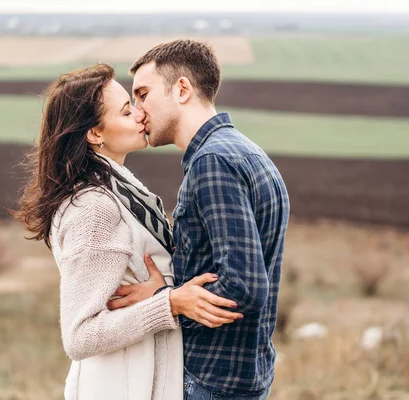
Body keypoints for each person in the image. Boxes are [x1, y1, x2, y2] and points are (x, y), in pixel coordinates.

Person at [12, 63, 242, 400]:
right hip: (119, 386)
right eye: (125, 111)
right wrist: (170, 303)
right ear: (95, 133)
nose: (140, 114)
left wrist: (163, 292)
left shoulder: (120, 189)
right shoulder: (94, 208)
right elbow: (80, 336)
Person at [110, 39, 290, 399]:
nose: (139, 111)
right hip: (241, 375)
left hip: (210, 381)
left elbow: (243, 286)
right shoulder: (245, 151)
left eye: (143, 94)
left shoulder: (213, 163)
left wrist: (165, 297)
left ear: (181, 89)